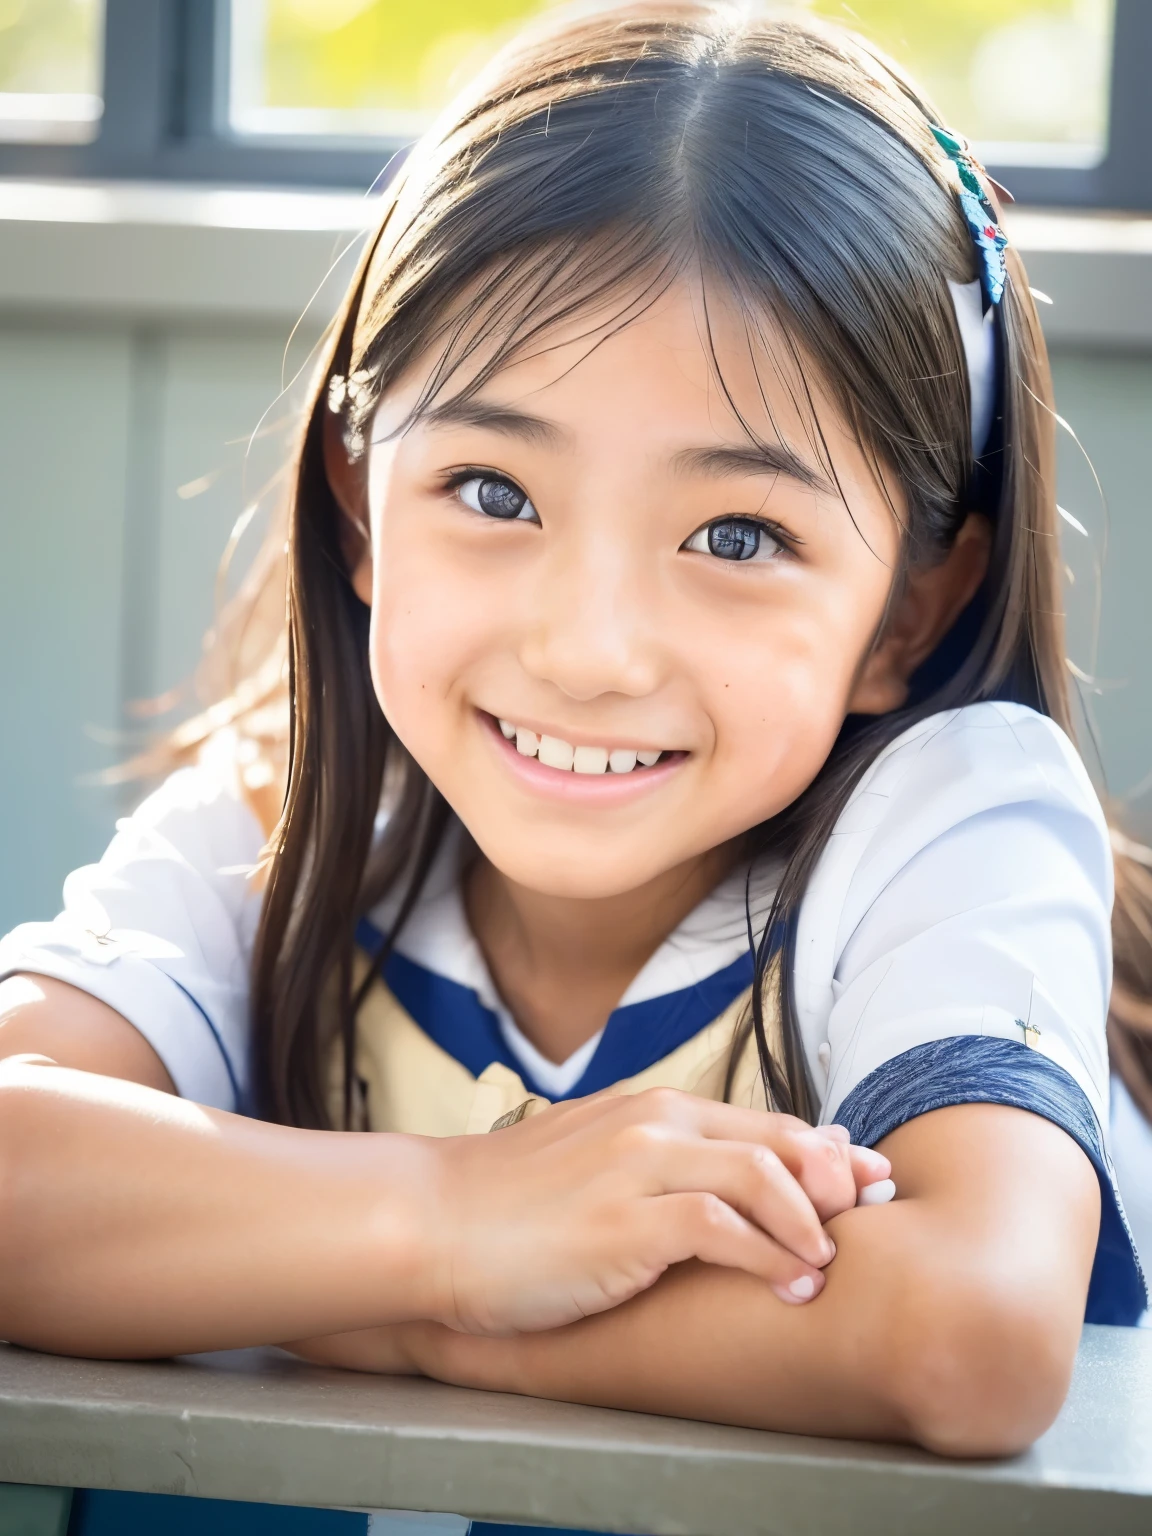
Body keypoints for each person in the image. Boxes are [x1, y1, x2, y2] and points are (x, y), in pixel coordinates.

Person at [0, 4, 1146, 1498]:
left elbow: (968, 1333)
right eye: (490, 489)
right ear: (360, 506)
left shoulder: (948, 832)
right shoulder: (288, 816)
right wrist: (460, 1224)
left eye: (738, 535)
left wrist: (415, 1319)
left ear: (908, 612)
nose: (588, 648)